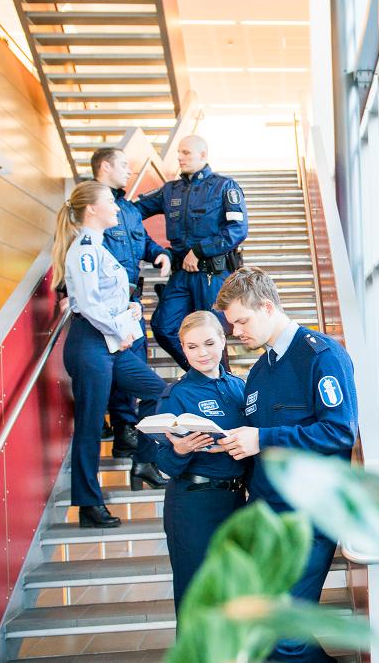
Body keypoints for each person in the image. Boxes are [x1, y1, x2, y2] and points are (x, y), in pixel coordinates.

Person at [215, 268, 357, 663]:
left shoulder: (321, 355)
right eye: (232, 324)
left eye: (242, 320)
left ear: (267, 306)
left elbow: (339, 431)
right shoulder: (258, 373)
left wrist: (262, 438)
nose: (237, 331)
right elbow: (260, 444)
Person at [52, 181, 169, 528]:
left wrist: (129, 309)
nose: (117, 209)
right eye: (110, 203)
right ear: (92, 209)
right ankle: (88, 504)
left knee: (156, 389)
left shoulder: (99, 247)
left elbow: (104, 299)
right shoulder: (85, 248)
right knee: (90, 425)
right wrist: (120, 326)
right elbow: (87, 304)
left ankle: (145, 461)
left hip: (110, 342)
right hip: (92, 344)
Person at [152, 311, 249, 612]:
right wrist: (180, 450)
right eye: (192, 347)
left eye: (208, 343)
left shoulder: (239, 387)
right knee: (197, 595)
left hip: (236, 502)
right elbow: (161, 463)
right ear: (183, 349)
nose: (202, 353)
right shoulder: (176, 395)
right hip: (193, 505)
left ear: (223, 339)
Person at [92, 147, 172, 489]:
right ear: (105, 166)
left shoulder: (127, 210)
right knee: (120, 370)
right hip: (105, 309)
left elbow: (147, 245)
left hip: (132, 304)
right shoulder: (91, 208)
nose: (129, 170)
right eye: (124, 164)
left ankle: (134, 439)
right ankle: (124, 428)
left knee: (137, 366)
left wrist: (162, 255)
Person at [135, 135, 248, 370]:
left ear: (203, 155)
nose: (179, 157)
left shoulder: (224, 186)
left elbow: (237, 229)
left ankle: (222, 385)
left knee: (213, 334)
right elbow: (132, 212)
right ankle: (202, 375)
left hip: (212, 275)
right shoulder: (170, 190)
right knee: (164, 326)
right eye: (179, 152)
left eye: (186, 152)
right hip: (181, 275)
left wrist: (199, 250)